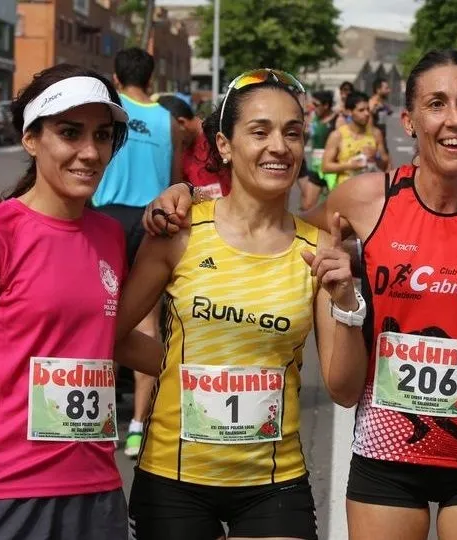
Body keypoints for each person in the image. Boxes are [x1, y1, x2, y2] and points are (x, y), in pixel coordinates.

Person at [142, 49, 457, 540]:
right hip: (385, 456)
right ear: (409, 120)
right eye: (437, 104)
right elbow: (274, 226)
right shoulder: (364, 201)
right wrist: (189, 196)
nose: (455, 119)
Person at [0, 64, 154, 540]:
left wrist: (232, 353)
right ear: (31, 138)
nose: (90, 152)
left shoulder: (108, 235)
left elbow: (106, 342)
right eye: (70, 133)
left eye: (103, 136)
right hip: (4, 491)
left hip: (97, 490)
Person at [120, 68, 351, 540]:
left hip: (273, 483)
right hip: (173, 477)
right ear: (224, 146)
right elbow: (111, 335)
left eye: (292, 133)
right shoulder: (178, 232)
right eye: (260, 131)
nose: (279, 147)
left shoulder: (319, 246)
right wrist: (180, 366)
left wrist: (346, 301)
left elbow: (344, 389)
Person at [93, 47, 182, 460]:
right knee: (147, 321)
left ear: (116, 75)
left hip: (108, 219)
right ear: (151, 79)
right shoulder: (168, 119)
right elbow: (175, 178)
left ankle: (101, 420)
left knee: (105, 318)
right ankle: (136, 426)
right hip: (152, 222)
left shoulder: (111, 108)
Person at [157, 94, 230, 199]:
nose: (171, 139)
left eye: (170, 133)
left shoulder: (218, 139)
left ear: (181, 122)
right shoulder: (181, 149)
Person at [322, 91, 390, 190]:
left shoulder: (376, 134)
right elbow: (325, 167)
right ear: (349, 112)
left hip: (370, 192)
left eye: (367, 109)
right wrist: (350, 166)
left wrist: (376, 157)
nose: (366, 113)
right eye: (361, 110)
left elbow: (385, 164)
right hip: (345, 192)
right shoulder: (337, 135)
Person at [301, 90, 339, 211]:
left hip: (332, 170)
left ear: (326, 105)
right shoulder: (314, 118)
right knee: (307, 205)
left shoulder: (338, 120)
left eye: (316, 105)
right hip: (316, 167)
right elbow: (306, 139)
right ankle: (305, 229)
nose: (313, 108)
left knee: (334, 206)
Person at [369, 77, 393, 154]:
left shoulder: (382, 103)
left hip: (383, 137)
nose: (389, 91)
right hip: (374, 139)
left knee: (388, 163)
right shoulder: (372, 103)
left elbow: (389, 112)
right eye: (386, 88)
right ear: (378, 90)